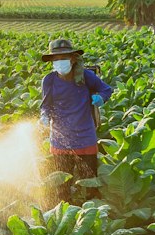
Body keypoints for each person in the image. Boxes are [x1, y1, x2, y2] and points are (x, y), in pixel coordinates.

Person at [38, 36, 113, 202]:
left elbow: (106, 89)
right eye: (56, 59)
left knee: (90, 183)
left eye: (64, 58)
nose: (60, 62)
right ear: (52, 61)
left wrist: (100, 98)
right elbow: (46, 105)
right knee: (62, 186)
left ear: (72, 58)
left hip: (85, 138)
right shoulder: (49, 80)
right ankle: (66, 215)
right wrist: (44, 115)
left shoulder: (85, 76)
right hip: (60, 140)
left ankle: (91, 215)